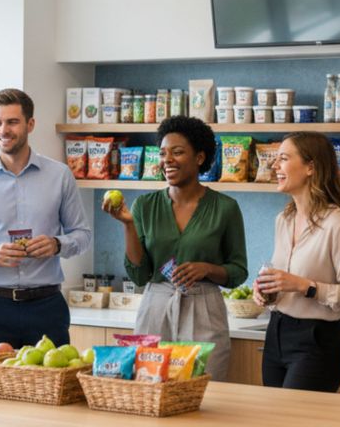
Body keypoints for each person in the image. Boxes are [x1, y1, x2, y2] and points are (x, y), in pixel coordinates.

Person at [103, 116, 247, 381]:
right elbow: (139, 275)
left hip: (204, 307)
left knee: (205, 388)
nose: (167, 160)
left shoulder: (225, 208)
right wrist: (128, 225)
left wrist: (207, 269)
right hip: (156, 306)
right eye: (162, 153)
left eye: (177, 152)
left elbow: (238, 271)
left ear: (200, 157)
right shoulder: (144, 205)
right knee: (150, 387)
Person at [0, 88, 91, 347]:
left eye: (12, 122)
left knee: (53, 375)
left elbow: (83, 235)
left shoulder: (60, 175)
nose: (3, 130)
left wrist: (56, 244)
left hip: (47, 308)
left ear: (30, 124)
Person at [254, 131, 340, 392]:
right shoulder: (283, 220)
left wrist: (305, 286)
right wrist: (264, 290)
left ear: (310, 168)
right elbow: (283, 279)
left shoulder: (339, 224)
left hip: (316, 341)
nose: (274, 165)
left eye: (283, 158)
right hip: (276, 333)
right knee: (273, 414)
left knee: (295, 414)